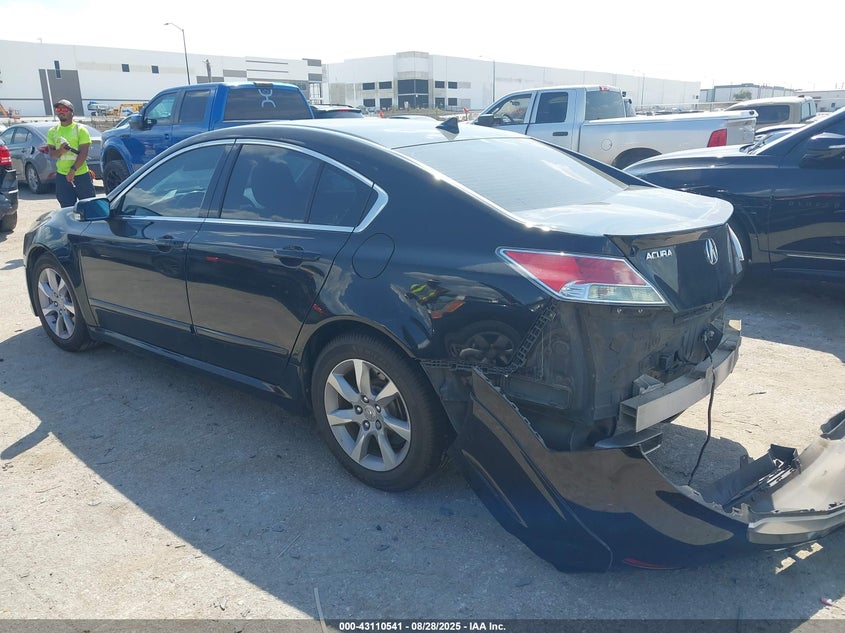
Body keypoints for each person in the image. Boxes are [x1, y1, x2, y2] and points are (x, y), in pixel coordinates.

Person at [46, 99, 96, 206]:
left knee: (88, 207)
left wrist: (73, 170)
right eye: (58, 109)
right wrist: (61, 150)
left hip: (81, 174)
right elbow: (52, 154)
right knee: (66, 209)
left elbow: (83, 153)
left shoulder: (80, 130)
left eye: (64, 109)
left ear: (72, 112)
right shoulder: (52, 131)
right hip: (62, 176)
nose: (61, 111)